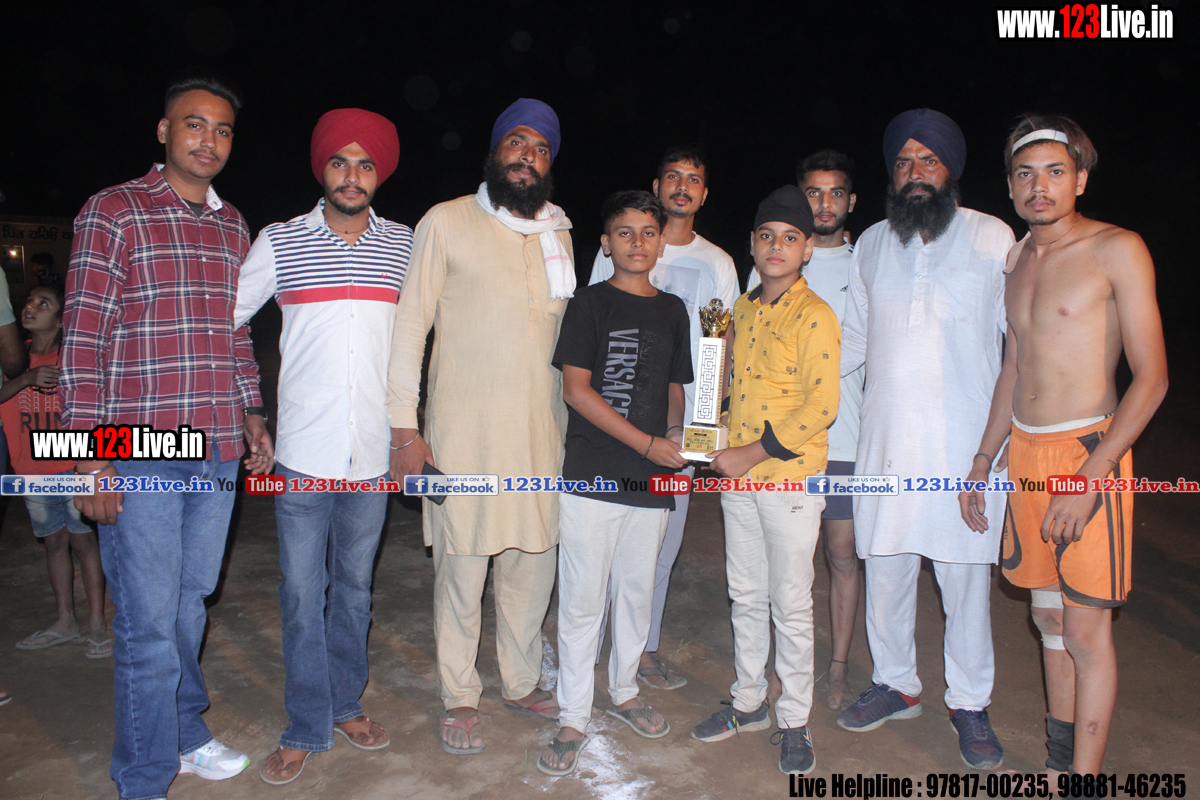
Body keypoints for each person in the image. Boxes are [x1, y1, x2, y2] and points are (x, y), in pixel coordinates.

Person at [61, 74, 273, 799]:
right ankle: (144, 777)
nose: (208, 140)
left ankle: (182, 733)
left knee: (188, 605)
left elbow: (235, 333)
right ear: (164, 131)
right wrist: (89, 459)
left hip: (215, 450)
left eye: (222, 129)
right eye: (194, 124)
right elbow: (82, 339)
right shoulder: (113, 211)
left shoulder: (233, 224)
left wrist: (252, 413)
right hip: (140, 449)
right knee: (149, 623)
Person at [959, 115, 1167, 778]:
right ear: (1010, 186)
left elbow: (1153, 378)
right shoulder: (1017, 261)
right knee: (1048, 621)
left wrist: (1092, 476)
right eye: (1025, 174)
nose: (1038, 186)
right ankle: (1058, 769)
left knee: (1085, 630)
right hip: (1025, 453)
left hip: (1087, 452)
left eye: (1054, 171)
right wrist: (981, 460)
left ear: (1080, 179)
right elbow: (1013, 368)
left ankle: (1085, 781)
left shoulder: (1117, 248)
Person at [386, 98, 572, 754]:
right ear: (495, 152)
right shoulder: (446, 221)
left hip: (540, 436)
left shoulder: (558, 233)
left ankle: (520, 681)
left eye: (541, 148)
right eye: (517, 142)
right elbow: (411, 324)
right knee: (462, 568)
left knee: (532, 561)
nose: (528, 157)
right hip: (462, 435)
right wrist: (404, 430)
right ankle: (460, 693)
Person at [235, 108, 412, 785]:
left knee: (357, 594)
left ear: (379, 174)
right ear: (322, 169)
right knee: (302, 597)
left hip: (372, 455)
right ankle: (306, 724)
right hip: (303, 456)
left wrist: (411, 431)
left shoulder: (404, 245)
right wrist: (251, 408)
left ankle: (346, 704)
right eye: (340, 162)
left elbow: (425, 335)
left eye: (365, 164)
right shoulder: (281, 240)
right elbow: (228, 322)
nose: (352, 175)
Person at [836, 109, 1014, 770]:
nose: (915, 173)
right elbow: (851, 343)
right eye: (904, 162)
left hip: (967, 448)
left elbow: (1020, 346)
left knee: (964, 579)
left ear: (950, 171)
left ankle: (969, 702)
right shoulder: (871, 244)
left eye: (928, 160)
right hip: (885, 442)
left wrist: (1003, 445)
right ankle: (897, 684)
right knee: (885, 565)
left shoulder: (993, 238)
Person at [538, 190, 692, 775]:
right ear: (605, 243)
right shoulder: (590, 303)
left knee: (636, 592)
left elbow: (675, 385)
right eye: (624, 232)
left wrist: (674, 433)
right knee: (582, 601)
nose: (637, 242)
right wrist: (647, 444)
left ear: (661, 242)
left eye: (648, 232)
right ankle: (573, 715)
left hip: (652, 484)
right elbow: (576, 391)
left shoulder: (673, 310)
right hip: (592, 476)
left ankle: (625, 691)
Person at [691, 185, 839, 775]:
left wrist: (748, 453)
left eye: (790, 238)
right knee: (746, 594)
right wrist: (709, 429)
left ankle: (795, 719)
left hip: (789, 480)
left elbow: (820, 407)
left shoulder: (816, 315)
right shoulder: (740, 311)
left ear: (807, 250)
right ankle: (749, 702)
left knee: (791, 603)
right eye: (767, 236)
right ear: (752, 244)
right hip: (739, 479)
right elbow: (729, 387)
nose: (777, 246)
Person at [588, 147, 738, 691]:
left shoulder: (717, 263)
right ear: (656, 185)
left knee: (662, 541)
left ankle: (643, 648)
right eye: (672, 176)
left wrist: (707, 418)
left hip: (681, 423)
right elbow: (595, 320)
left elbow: (721, 343)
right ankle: (590, 640)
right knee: (602, 536)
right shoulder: (623, 240)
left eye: (692, 179)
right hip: (614, 416)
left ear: (704, 193)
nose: (681, 186)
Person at [754, 150, 867, 709]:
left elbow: (867, 343)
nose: (824, 203)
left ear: (851, 200)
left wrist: (808, 368)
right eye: (813, 193)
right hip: (778, 444)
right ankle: (778, 670)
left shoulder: (865, 262)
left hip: (842, 434)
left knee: (841, 553)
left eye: (835, 192)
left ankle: (838, 667)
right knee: (780, 566)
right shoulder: (772, 260)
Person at [3, 272, 108, 658]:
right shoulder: (13, 360)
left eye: (43, 303)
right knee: (53, 543)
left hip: (73, 467)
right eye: (29, 301)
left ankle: (96, 622)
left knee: (84, 542)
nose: (30, 307)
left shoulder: (74, 360)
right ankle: (65, 619)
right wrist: (26, 378)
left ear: (63, 319)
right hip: (30, 471)